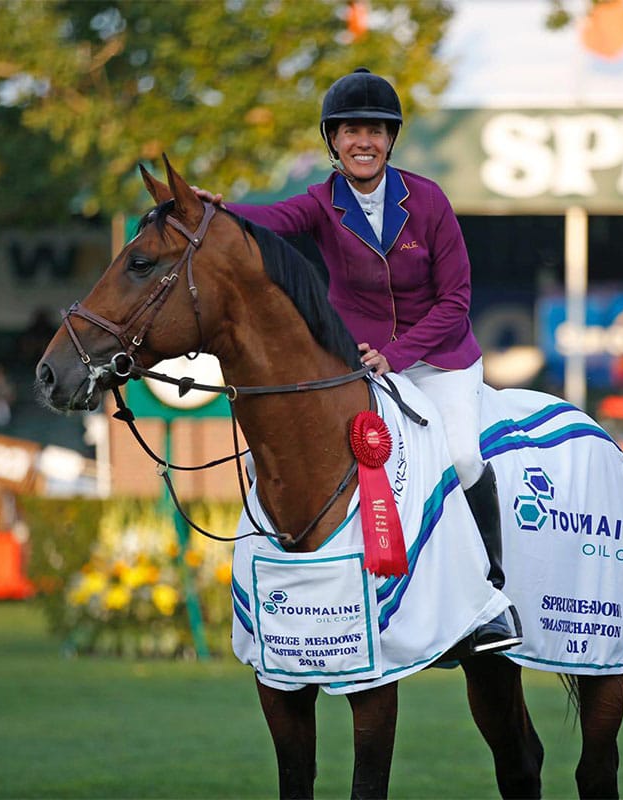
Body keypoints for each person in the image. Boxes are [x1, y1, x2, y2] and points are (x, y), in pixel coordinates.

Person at [197, 68, 519, 653]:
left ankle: (492, 598)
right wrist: (216, 212)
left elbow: (456, 301)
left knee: (461, 457)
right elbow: (273, 219)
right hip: (360, 364)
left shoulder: (428, 199)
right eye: (350, 131)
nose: (362, 141)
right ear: (333, 140)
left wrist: (397, 355)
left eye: (374, 130)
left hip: (438, 360)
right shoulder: (323, 202)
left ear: (390, 139)